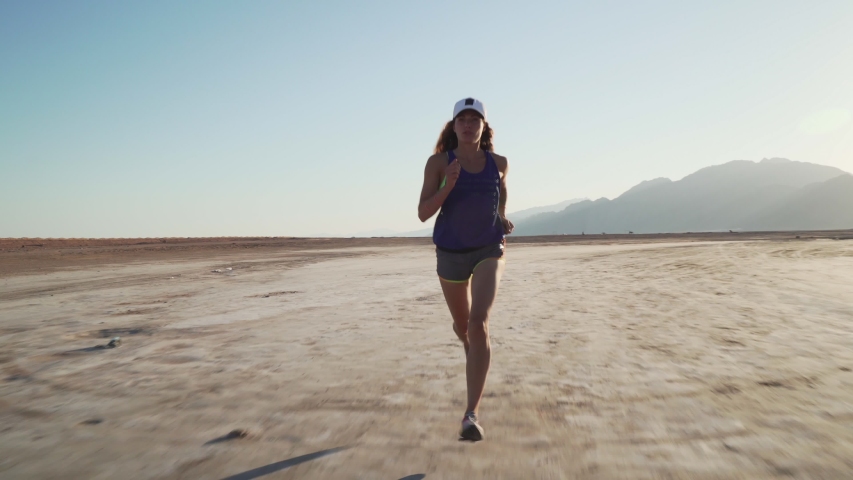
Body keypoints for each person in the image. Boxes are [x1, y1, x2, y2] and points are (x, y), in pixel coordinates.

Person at [417, 98, 514, 441]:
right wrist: (448, 186)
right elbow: (423, 213)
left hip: (489, 248)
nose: (469, 125)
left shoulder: (499, 162)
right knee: (463, 327)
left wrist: (501, 215)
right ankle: (475, 355)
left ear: (485, 126)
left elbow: (500, 191)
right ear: (453, 126)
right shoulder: (439, 163)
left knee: (478, 323)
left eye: (476, 120)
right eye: (463, 119)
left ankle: (471, 415)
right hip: (451, 253)